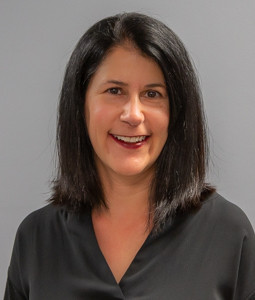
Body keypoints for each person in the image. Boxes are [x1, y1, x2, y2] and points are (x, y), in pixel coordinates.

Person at [4, 12, 255, 300]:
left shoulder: (228, 234)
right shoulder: (36, 239)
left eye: (152, 94)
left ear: (177, 112)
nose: (133, 115)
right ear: (80, 106)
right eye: (114, 90)